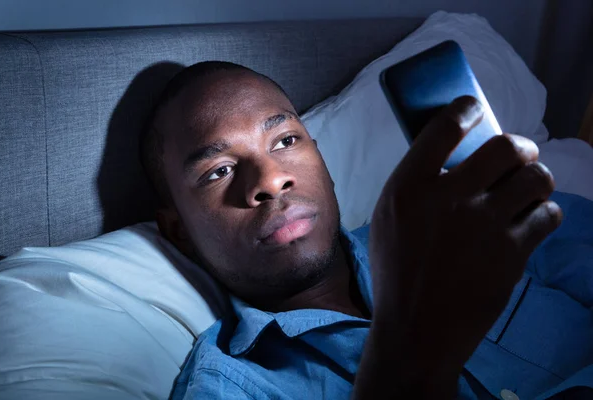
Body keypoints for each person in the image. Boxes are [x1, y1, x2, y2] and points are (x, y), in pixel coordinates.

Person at [139, 61, 593, 399]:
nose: (271, 179)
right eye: (218, 171)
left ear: (322, 160)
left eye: (286, 141)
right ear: (177, 231)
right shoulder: (229, 389)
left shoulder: (478, 223)